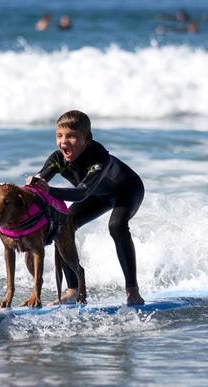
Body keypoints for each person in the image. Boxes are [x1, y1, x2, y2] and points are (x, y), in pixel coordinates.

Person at [26, 110, 145, 305]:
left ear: (86, 140)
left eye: (71, 136)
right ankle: (73, 290)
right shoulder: (58, 159)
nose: (64, 142)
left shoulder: (99, 157)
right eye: (60, 136)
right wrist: (31, 186)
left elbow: (82, 192)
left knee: (117, 226)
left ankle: (132, 290)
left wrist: (48, 190)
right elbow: (40, 181)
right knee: (63, 225)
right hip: (99, 196)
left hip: (127, 189)